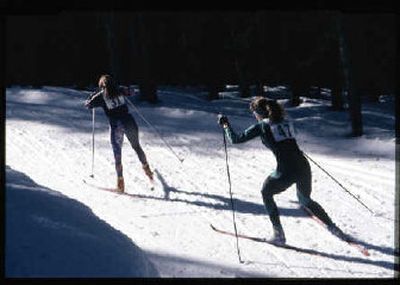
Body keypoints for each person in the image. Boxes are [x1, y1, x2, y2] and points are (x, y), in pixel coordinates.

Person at [217, 97, 346, 245]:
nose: (254, 115)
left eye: (254, 112)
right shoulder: (285, 121)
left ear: (259, 113)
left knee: (266, 192)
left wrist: (226, 125)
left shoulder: (261, 126)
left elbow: (235, 139)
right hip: (303, 165)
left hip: (286, 169)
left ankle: (279, 235)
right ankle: (334, 228)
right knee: (305, 200)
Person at [85, 74, 153, 193]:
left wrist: (91, 97)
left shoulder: (101, 96)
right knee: (137, 147)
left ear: (102, 86)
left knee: (117, 154)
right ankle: (147, 169)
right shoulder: (119, 90)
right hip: (129, 122)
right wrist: (123, 90)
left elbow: (88, 104)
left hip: (117, 126)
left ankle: (120, 183)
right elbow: (132, 91)